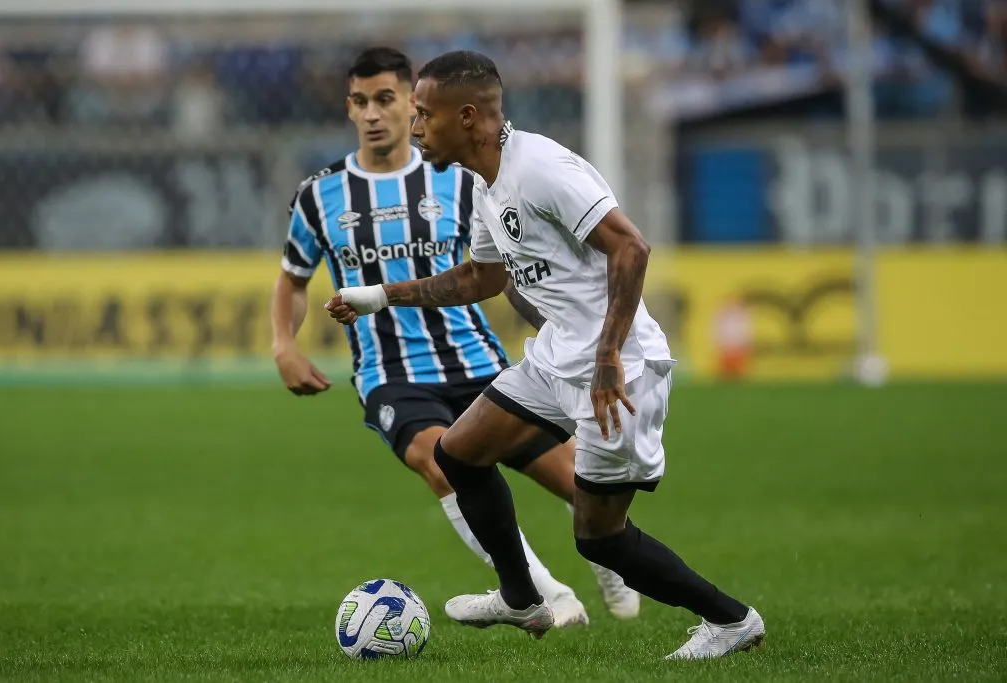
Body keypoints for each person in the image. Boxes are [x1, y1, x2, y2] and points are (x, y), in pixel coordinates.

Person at [327, 50, 766, 660]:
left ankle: (731, 620)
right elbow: (481, 278)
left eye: (425, 113)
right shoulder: (486, 181)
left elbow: (632, 248)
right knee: (459, 452)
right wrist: (381, 295)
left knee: (600, 540)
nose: (416, 125)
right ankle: (521, 596)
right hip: (561, 355)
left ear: (470, 115)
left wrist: (610, 356)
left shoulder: (540, 169)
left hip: (620, 369)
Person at [270, 47, 638, 628]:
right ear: (348, 109)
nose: (374, 114)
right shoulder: (320, 195)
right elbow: (292, 280)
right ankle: (542, 594)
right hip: (390, 372)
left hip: (475, 358)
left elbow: (500, 272)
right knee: (439, 461)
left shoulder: (462, 179)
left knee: (575, 479)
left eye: (388, 100)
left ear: (415, 103)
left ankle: (610, 562)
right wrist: (284, 345)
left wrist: (566, 329)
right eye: (360, 102)